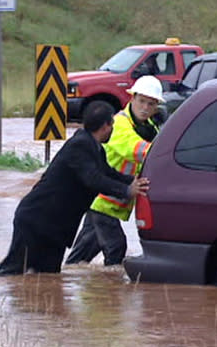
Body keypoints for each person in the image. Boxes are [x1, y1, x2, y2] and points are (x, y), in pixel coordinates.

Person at [0, 102, 150, 276]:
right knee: (12, 272)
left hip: (54, 228)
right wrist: (126, 191)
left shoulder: (93, 147)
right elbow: (93, 179)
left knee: (49, 278)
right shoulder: (80, 145)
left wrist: (134, 181)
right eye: (112, 125)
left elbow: (108, 173)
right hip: (36, 221)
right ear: (105, 126)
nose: (112, 129)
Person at [65, 75, 164, 266]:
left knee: (79, 259)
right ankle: (112, 290)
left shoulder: (149, 128)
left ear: (156, 107)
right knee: (116, 247)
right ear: (132, 98)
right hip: (103, 200)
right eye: (142, 101)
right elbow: (137, 150)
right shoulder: (119, 124)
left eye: (151, 104)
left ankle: (78, 289)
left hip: (109, 202)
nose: (145, 108)